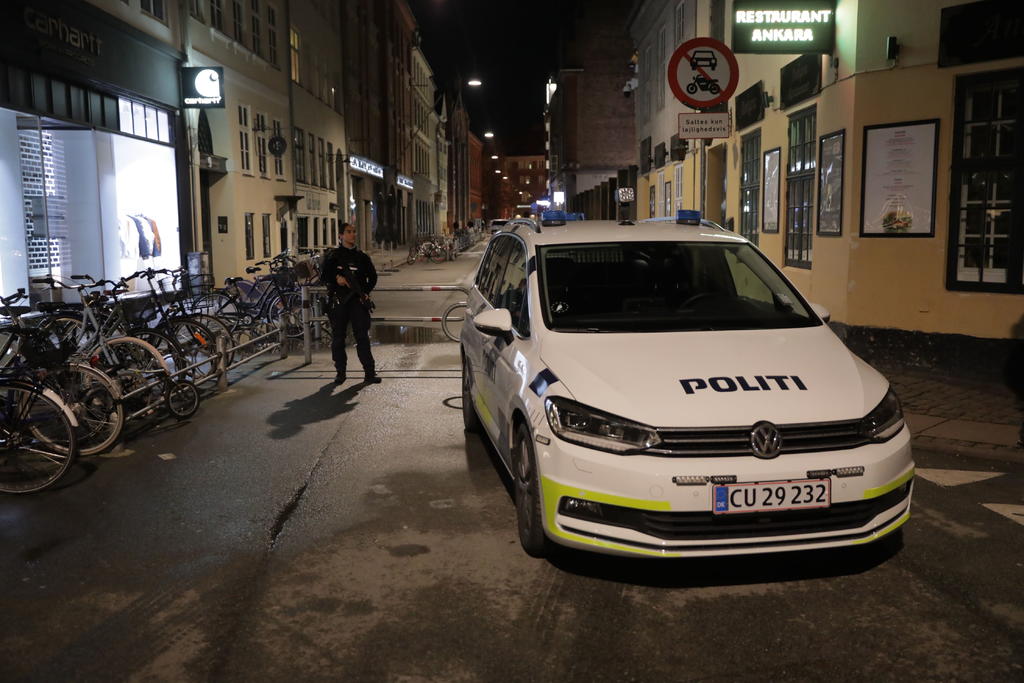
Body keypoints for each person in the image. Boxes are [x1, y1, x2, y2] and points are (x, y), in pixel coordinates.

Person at [322, 222, 380, 384]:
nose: (352, 234)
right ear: (341, 235)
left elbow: (373, 277)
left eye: (354, 231)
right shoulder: (333, 257)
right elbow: (324, 276)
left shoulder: (362, 257)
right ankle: (340, 372)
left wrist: (365, 292)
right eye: (348, 232)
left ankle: (370, 373)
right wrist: (336, 279)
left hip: (357, 301)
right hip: (339, 301)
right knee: (338, 338)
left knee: (362, 337)